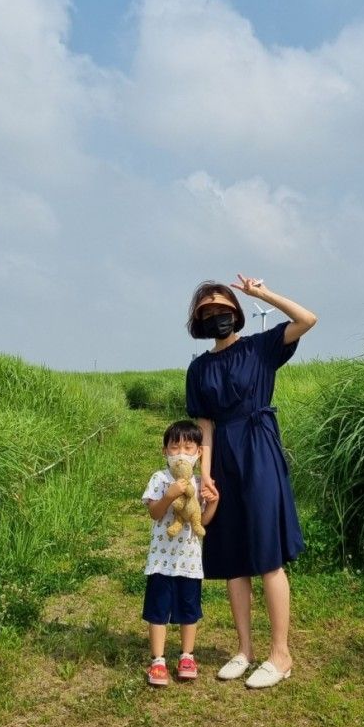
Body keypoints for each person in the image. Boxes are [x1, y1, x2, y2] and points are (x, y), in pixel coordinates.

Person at [185, 274, 317, 689]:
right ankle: (244, 650)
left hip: (259, 450)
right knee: (232, 559)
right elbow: (204, 424)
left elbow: (307, 319)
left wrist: (262, 294)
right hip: (222, 455)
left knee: (267, 556)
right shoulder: (199, 367)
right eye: (209, 311)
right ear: (199, 320)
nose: (218, 315)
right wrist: (205, 475)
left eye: (223, 308)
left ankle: (281, 654)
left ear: (236, 312)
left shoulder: (260, 348)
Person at [141, 419, 220, 687]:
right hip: (161, 561)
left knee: (189, 610)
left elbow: (203, 522)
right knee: (157, 610)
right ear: (165, 451)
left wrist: (213, 502)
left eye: (188, 447)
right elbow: (154, 513)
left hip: (189, 562)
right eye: (175, 447)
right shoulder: (159, 479)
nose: (181, 453)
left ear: (199, 453)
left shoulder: (199, 482)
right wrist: (168, 495)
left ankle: (187, 656)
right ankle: (158, 660)